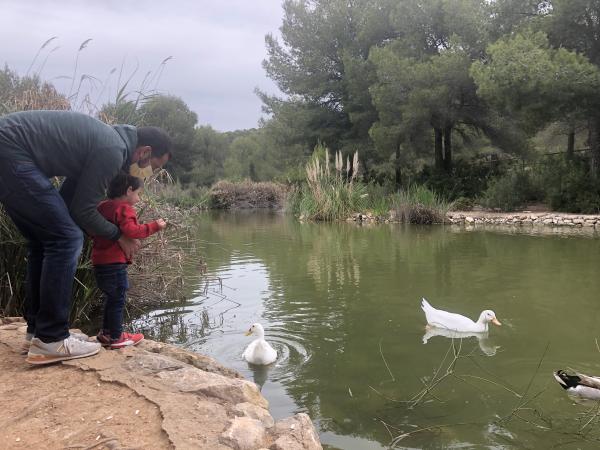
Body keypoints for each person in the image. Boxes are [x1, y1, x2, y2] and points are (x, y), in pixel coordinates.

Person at [0, 110, 172, 364]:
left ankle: (38, 333)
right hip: (10, 150)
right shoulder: (112, 150)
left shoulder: (108, 143)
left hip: (8, 152)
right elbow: (83, 211)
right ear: (144, 152)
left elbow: (70, 206)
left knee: (44, 240)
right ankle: (52, 340)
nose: (147, 172)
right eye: (152, 166)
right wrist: (118, 236)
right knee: (67, 239)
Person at [92, 173, 166, 349]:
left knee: (111, 298)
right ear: (128, 190)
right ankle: (117, 337)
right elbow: (133, 231)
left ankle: (106, 333)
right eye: (138, 193)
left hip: (99, 261)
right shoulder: (124, 208)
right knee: (118, 298)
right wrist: (155, 226)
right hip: (114, 263)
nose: (139, 199)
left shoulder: (101, 207)